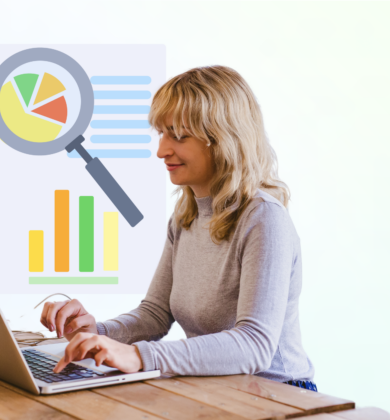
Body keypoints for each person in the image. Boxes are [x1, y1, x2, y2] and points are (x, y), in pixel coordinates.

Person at [40, 65, 316, 390]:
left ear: (224, 138)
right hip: (214, 390)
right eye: (162, 133)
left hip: (279, 397)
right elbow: (155, 314)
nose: (162, 151)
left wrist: (142, 357)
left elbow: (255, 344)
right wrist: (97, 335)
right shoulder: (186, 216)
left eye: (179, 135)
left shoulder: (264, 218)